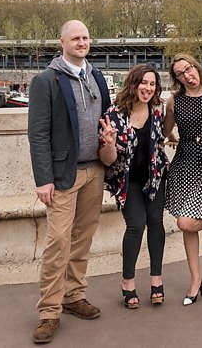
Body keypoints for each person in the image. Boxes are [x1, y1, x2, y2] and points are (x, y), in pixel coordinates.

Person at [27, 20, 115, 345]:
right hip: (63, 175)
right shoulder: (45, 80)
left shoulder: (96, 76)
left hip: (95, 169)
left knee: (83, 239)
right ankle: (49, 312)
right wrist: (43, 179)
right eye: (76, 38)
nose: (82, 42)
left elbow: (107, 116)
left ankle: (73, 295)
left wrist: (109, 136)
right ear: (62, 42)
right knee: (58, 243)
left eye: (86, 37)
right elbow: (37, 134)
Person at [103, 64, 169, 310]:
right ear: (133, 84)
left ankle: (156, 279)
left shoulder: (157, 110)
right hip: (127, 179)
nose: (148, 88)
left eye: (152, 84)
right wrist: (109, 143)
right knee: (136, 225)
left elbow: (164, 136)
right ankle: (127, 282)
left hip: (155, 177)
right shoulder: (114, 115)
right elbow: (108, 160)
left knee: (156, 222)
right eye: (144, 83)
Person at [163, 52, 202, 306]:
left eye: (189, 69)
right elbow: (165, 132)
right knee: (185, 222)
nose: (187, 75)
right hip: (185, 161)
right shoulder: (173, 102)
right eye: (180, 73)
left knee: (187, 222)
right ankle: (195, 279)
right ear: (176, 78)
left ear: (197, 68)